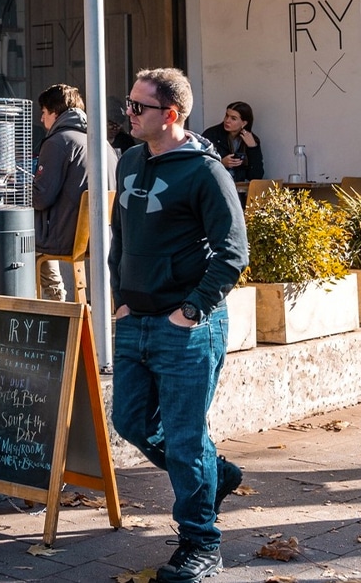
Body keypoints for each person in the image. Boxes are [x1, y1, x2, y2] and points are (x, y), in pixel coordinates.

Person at [108, 68, 248, 583]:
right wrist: (121, 300)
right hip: (136, 320)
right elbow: (120, 237)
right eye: (129, 104)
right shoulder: (127, 161)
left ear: (170, 115)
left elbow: (233, 253)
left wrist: (190, 312)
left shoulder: (204, 172)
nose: (129, 113)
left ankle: (200, 544)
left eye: (138, 107)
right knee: (131, 422)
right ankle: (218, 476)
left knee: (186, 439)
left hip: (186, 326)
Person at [33, 83, 117, 301]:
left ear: (55, 112)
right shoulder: (102, 142)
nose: (42, 120)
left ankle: (55, 302)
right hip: (101, 236)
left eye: (43, 113)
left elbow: (41, 197)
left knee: (19, 239)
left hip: (67, 237)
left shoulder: (58, 142)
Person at [202, 101, 263, 184]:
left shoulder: (251, 140)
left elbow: (256, 176)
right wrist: (221, 163)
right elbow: (200, 165)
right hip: (215, 185)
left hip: (240, 190)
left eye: (233, 118)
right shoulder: (211, 135)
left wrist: (253, 148)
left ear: (244, 123)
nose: (227, 121)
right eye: (227, 116)